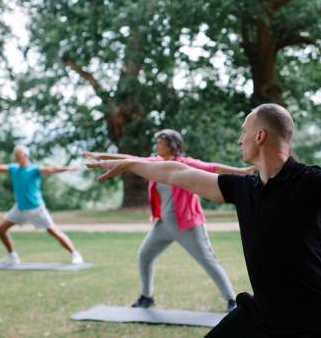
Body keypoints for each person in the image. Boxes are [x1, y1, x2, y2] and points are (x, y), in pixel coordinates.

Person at [85, 105, 321, 337]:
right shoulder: (243, 189)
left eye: (244, 131)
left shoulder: (311, 182)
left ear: (260, 136)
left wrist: (129, 163)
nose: (239, 139)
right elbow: (176, 172)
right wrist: (128, 163)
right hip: (263, 315)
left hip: (317, 320)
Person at [84, 129, 254, 312]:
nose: (156, 146)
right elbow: (128, 159)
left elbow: (213, 168)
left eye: (160, 142)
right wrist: (99, 156)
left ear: (171, 144)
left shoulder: (185, 163)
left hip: (188, 226)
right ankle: (147, 297)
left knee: (209, 261)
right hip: (163, 225)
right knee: (144, 255)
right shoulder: (154, 163)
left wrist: (242, 171)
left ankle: (231, 301)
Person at [0, 145, 84, 265]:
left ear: (25, 156)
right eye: (15, 155)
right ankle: (12, 256)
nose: (16, 157)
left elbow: (52, 169)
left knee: (53, 231)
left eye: (19, 154)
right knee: (1, 229)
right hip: (20, 208)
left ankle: (75, 254)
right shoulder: (13, 169)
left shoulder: (34, 170)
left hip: (36, 208)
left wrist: (69, 168)